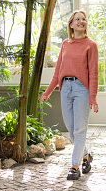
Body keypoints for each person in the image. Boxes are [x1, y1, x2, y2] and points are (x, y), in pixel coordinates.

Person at [40, 10, 99, 180]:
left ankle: (75, 166)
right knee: (72, 131)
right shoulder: (65, 44)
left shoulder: (91, 45)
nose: (81, 21)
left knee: (80, 129)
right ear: (71, 24)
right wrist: (47, 92)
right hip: (65, 88)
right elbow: (58, 72)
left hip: (81, 89)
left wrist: (92, 97)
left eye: (84, 19)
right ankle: (86, 155)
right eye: (77, 19)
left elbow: (94, 73)